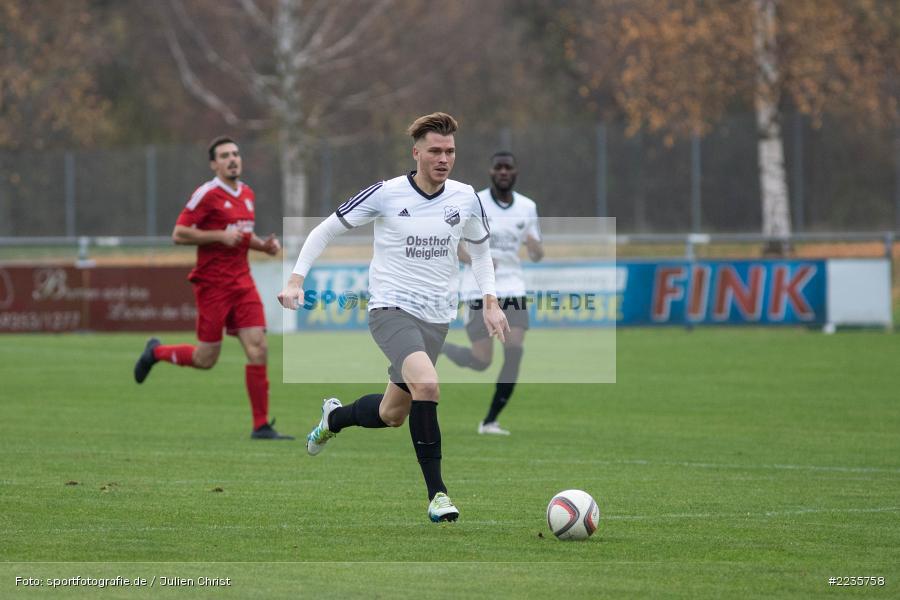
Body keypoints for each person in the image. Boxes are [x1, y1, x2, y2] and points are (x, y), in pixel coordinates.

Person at [278, 112, 508, 522]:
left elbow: (482, 251)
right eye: (435, 151)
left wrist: (490, 302)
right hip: (390, 309)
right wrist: (295, 280)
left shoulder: (465, 197)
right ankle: (438, 495)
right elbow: (324, 230)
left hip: (437, 318)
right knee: (429, 385)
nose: (443, 158)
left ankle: (334, 417)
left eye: (450, 151)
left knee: (392, 414)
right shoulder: (386, 194)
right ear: (416, 152)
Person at [133, 136, 293, 440]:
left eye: (236, 153)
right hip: (213, 285)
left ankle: (261, 425)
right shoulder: (206, 194)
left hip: (243, 283)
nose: (233, 159)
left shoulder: (247, 193)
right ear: (214, 164)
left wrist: (264, 246)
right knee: (206, 359)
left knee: (258, 348)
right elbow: (179, 233)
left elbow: (242, 235)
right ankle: (156, 352)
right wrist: (218, 236)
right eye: (225, 155)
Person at [442, 151, 544, 436]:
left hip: (513, 288)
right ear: (490, 171)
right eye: (498, 167)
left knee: (514, 352)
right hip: (478, 290)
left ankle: (490, 421)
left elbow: (537, 253)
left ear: (515, 172)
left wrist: (535, 246)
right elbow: (457, 245)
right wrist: (475, 260)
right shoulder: (475, 203)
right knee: (481, 361)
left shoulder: (527, 207)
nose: (503, 172)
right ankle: (441, 348)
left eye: (508, 168)